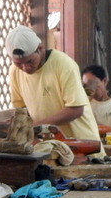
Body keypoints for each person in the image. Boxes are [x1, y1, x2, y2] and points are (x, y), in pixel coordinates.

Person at [6, 25, 103, 154]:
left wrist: (34, 126)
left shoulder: (64, 65)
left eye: (30, 61)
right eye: (19, 63)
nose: (25, 68)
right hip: (49, 150)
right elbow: (21, 109)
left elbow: (76, 109)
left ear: (40, 49)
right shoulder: (14, 72)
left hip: (82, 146)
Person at [81, 64, 111, 134]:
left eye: (93, 83)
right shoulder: (83, 106)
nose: (91, 88)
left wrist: (107, 130)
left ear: (104, 81)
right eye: (86, 85)